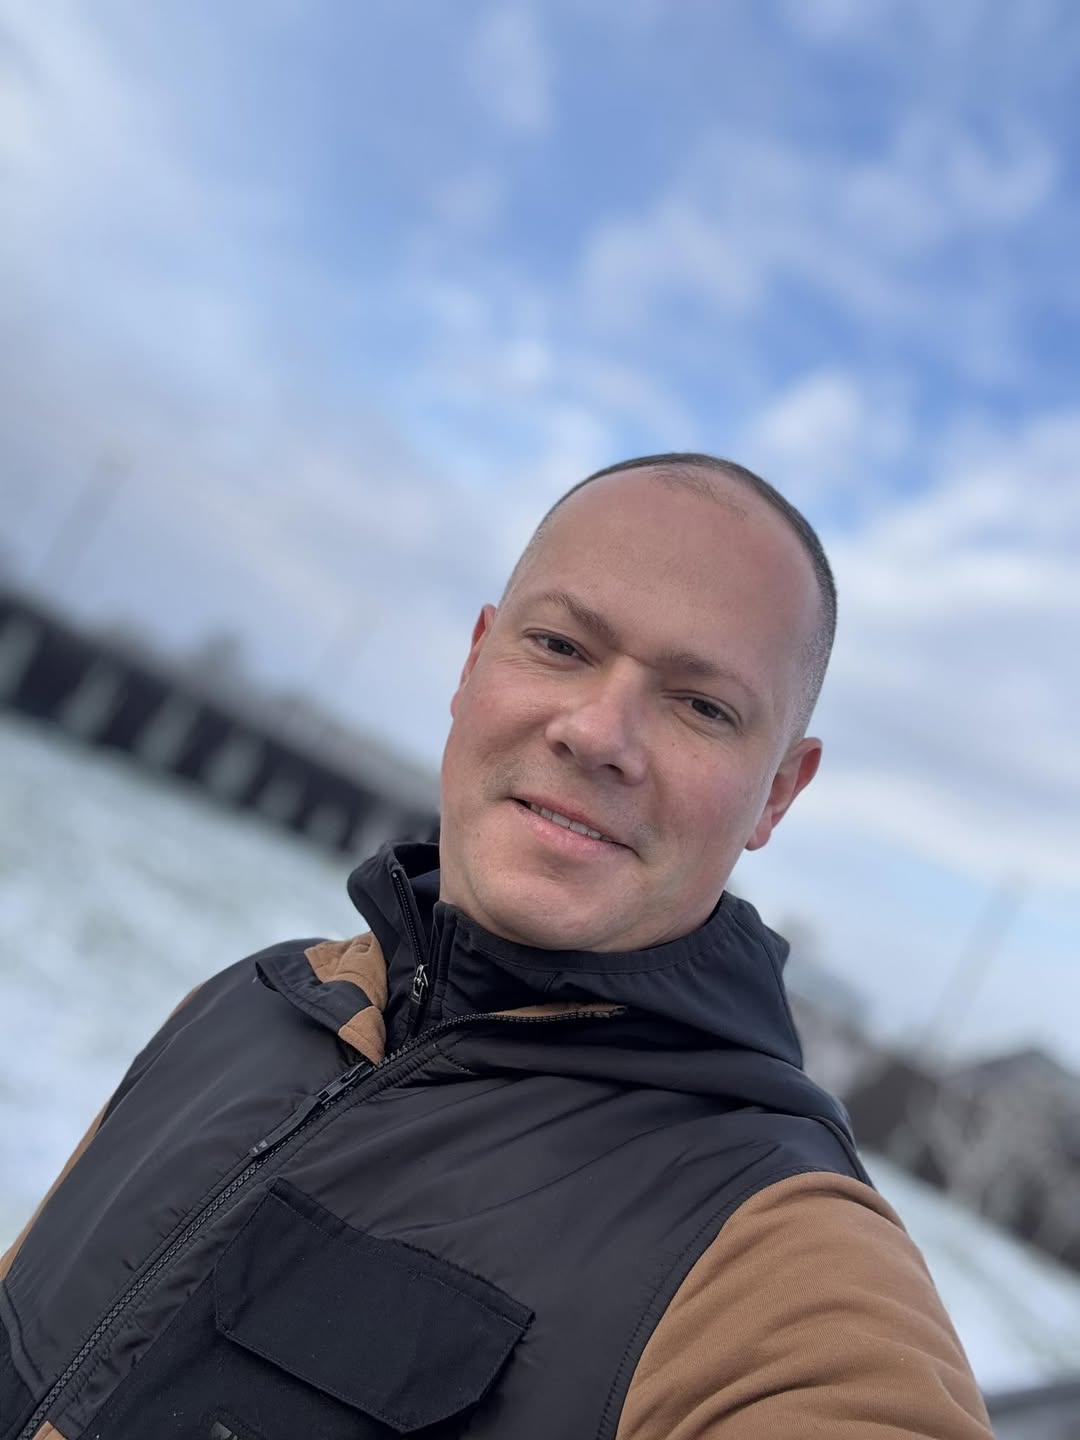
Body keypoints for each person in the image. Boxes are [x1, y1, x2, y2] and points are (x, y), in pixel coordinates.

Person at [1, 454, 992, 1440]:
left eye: (702, 705)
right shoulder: (252, 1000)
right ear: (474, 661)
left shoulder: (769, 1257)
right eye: (560, 645)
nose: (597, 733)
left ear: (777, 792)